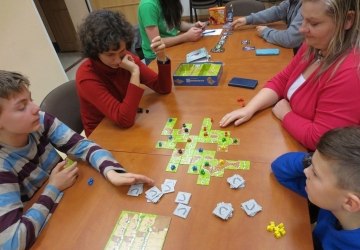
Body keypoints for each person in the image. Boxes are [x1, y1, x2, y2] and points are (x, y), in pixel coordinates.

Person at [0, 70, 154, 249]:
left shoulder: (40, 121)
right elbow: (11, 243)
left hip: (67, 202)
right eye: (22, 107)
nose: (35, 108)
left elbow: (82, 146)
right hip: (45, 228)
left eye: (31, 99)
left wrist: (111, 171)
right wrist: (53, 187)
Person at [220, 0, 360, 151]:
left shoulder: (351, 73)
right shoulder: (314, 46)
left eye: (314, 23)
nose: (301, 29)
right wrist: (250, 108)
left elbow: (322, 140)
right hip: (288, 137)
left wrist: (286, 114)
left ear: (347, 20)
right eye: (303, 18)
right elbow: (282, 79)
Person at [76, 10, 172, 137]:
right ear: (95, 52)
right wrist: (134, 72)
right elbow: (124, 120)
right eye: (110, 54)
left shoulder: (126, 57)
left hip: (126, 117)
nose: (117, 60)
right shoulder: (86, 76)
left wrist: (161, 56)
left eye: (121, 51)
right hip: (102, 134)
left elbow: (163, 88)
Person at [271, 127, 360, 249]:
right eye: (310, 165)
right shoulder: (334, 200)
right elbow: (279, 168)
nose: (306, 171)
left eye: (315, 173)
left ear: (350, 203)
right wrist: (313, 162)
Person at [138, 0, 206, 64]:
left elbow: (176, 24)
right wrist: (186, 37)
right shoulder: (148, 5)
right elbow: (157, 44)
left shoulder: (168, 2)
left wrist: (193, 25)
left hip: (173, 46)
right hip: (157, 57)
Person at [232, 0, 303, 50]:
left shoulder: (307, 5)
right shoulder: (293, 1)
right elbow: (277, 11)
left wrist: (266, 31)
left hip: (303, 56)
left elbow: (290, 39)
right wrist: (247, 19)